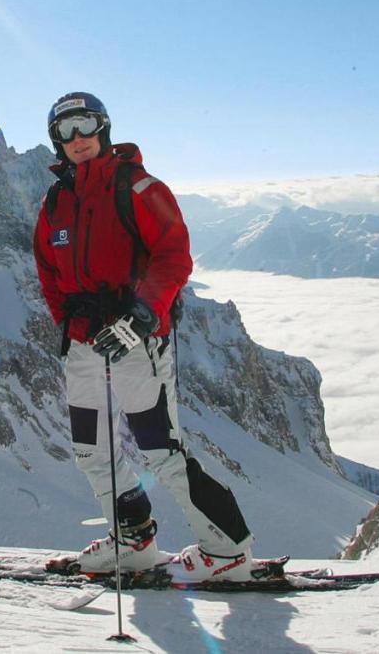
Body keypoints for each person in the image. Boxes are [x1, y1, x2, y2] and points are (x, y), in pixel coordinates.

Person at [32, 92, 256, 584]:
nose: (77, 139)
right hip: (85, 348)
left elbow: (174, 256)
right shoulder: (55, 202)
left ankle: (227, 550)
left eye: (85, 125)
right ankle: (132, 540)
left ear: (103, 128)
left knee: (160, 450)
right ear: (56, 141)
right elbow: (48, 270)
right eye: (65, 130)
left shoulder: (138, 187)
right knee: (92, 451)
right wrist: (69, 325)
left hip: (136, 344)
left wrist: (140, 316)